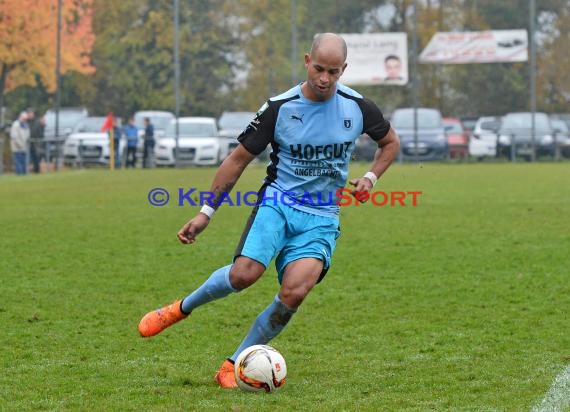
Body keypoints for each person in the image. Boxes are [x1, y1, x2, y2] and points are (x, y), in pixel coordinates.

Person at [137, 33, 400, 388]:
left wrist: (370, 177)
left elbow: (390, 143)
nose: (324, 78)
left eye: (333, 72)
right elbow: (237, 160)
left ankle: (233, 364)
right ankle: (180, 308)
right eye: (319, 68)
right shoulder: (280, 107)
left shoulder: (357, 106)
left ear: (344, 70)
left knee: (295, 291)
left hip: (322, 216)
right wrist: (205, 213)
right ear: (307, 61)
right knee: (243, 275)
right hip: (278, 204)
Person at [10, 111, 30, 175]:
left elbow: (27, 135)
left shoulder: (26, 125)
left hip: (24, 148)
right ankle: (19, 175)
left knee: (24, 162)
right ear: (20, 117)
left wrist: (24, 144)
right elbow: (14, 136)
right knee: (18, 163)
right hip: (17, 148)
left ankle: (24, 175)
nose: (25, 120)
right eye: (24, 119)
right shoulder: (16, 124)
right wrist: (20, 145)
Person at [27, 108, 45, 174]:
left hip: (36, 144)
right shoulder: (27, 122)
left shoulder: (37, 121)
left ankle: (36, 171)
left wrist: (39, 143)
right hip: (29, 144)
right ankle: (33, 170)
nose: (30, 115)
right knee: (32, 159)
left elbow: (41, 132)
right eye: (28, 113)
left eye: (31, 113)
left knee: (36, 159)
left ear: (33, 114)